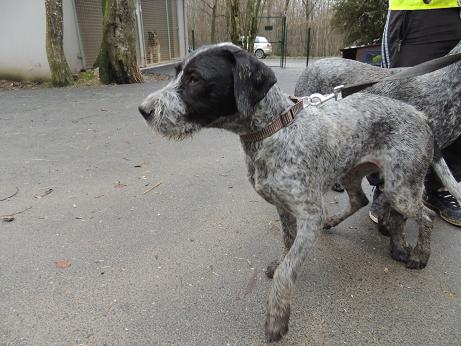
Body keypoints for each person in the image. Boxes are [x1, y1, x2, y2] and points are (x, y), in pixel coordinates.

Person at [369, 0, 461, 226]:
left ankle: (437, 187)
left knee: (455, 104)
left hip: (452, 11)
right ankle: (385, 183)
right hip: (412, 11)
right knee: (398, 99)